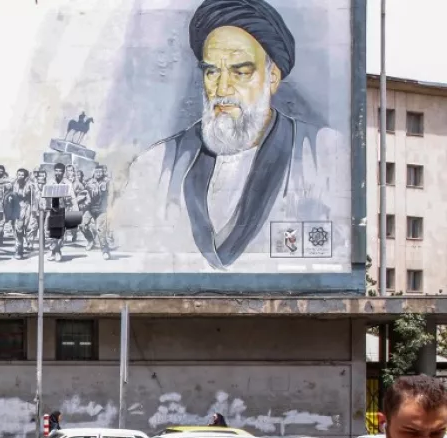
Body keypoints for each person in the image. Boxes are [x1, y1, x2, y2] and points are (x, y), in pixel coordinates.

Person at [118, 0, 341, 269]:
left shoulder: (325, 153)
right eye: (212, 71)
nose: (222, 88)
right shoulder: (155, 165)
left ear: (272, 77)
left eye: (241, 72)